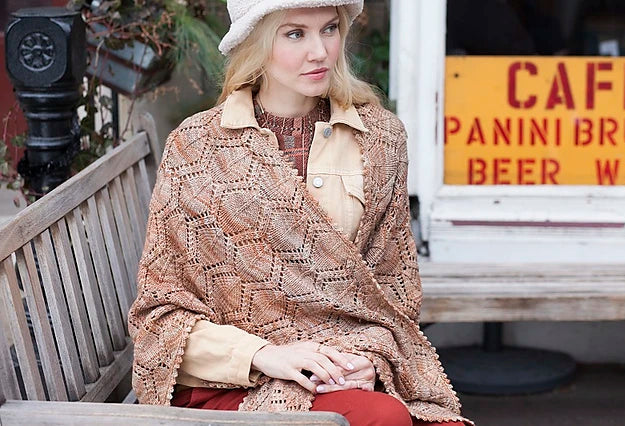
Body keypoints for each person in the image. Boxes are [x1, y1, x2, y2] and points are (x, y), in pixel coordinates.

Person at [128, 1, 471, 425]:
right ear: (255, 42)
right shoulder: (197, 147)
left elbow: (392, 295)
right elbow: (160, 315)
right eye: (295, 34)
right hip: (232, 382)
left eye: (329, 29)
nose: (320, 51)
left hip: (338, 368)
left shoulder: (381, 138)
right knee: (381, 417)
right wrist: (264, 355)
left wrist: (370, 359)